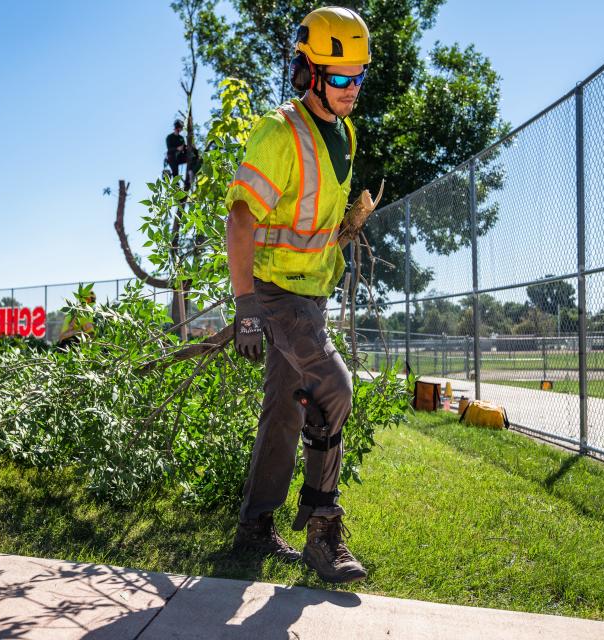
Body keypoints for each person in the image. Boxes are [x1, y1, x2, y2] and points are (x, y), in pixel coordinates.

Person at [225, 6, 371, 584]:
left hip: (311, 294)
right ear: (308, 73)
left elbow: (307, 216)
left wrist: (343, 230)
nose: (350, 89)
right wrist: (246, 311)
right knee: (335, 389)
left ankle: (256, 526)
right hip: (275, 294)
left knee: (284, 413)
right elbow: (241, 221)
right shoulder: (279, 133)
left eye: (358, 76)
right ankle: (322, 528)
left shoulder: (345, 133)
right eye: (339, 77)